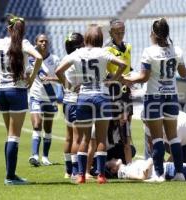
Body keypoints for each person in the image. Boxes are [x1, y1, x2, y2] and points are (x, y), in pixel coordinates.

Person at [55, 24, 126, 184]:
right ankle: (101, 175)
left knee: (83, 139)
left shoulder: (78, 53)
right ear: (100, 38)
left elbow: (59, 71)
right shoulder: (103, 52)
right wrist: (113, 80)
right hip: (101, 95)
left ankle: (80, 175)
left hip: (83, 96)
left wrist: (69, 87)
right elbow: (122, 64)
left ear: (86, 38)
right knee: (101, 139)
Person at [123, 18, 186, 182]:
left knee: (157, 138)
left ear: (153, 32)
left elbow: (144, 78)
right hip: (171, 96)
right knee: (173, 137)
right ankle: (179, 173)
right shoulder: (177, 50)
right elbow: (184, 74)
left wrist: (128, 78)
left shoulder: (149, 52)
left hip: (154, 97)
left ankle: (159, 175)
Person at [0, 14, 42, 185]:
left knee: (9, 135)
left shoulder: (0, 43)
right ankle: (10, 177)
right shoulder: (23, 44)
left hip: (1, 91)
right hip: (16, 91)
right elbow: (39, 58)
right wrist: (32, 78)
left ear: (9, 28)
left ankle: (10, 174)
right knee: (14, 136)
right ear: (22, 29)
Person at [28, 34, 60, 167]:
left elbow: (61, 78)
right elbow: (26, 75)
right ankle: (34, 155)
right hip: (36, 96)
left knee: (48, 129)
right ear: (36, 43)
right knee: (37, 125)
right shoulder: (30, 60)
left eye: (46, 41)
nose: (44, 43)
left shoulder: (55, 59)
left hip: (50, 98)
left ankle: (45, 157)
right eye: (41, 41)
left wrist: (50, 79)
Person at [105, 18, 134, 164]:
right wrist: (121, 79)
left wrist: (133, 80)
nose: (120, 35)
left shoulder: (128, 47)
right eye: (117, 32)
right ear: (111, 32)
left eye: (122, 32)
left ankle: (124, 162)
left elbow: (129, 68)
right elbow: (107, 74)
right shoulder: (107, 50)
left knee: (126, 126)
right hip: (114, 94)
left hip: (126, 93)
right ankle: (109, 159)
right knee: (114, 126)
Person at [61, 33, 84, 178]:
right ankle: (75, 170)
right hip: (76, 100)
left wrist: (67, 85)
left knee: (69, 137)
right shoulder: (78, 59)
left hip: (66, 101)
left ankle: (68, 170)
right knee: (77, 138)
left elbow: (59, 74)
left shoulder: (66, 58)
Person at [86, 115, 137, 179]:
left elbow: (127, 147)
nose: (125, 118)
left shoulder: (125, 125)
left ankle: (116, 166)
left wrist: (129, 169)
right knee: (104, 173)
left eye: (127, 115)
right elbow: (91, 148)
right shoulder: (100, 124)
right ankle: (103, 167)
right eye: (122, 115)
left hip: (110, 151)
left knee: (132, 150)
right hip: (97, 154)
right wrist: (86, 172)